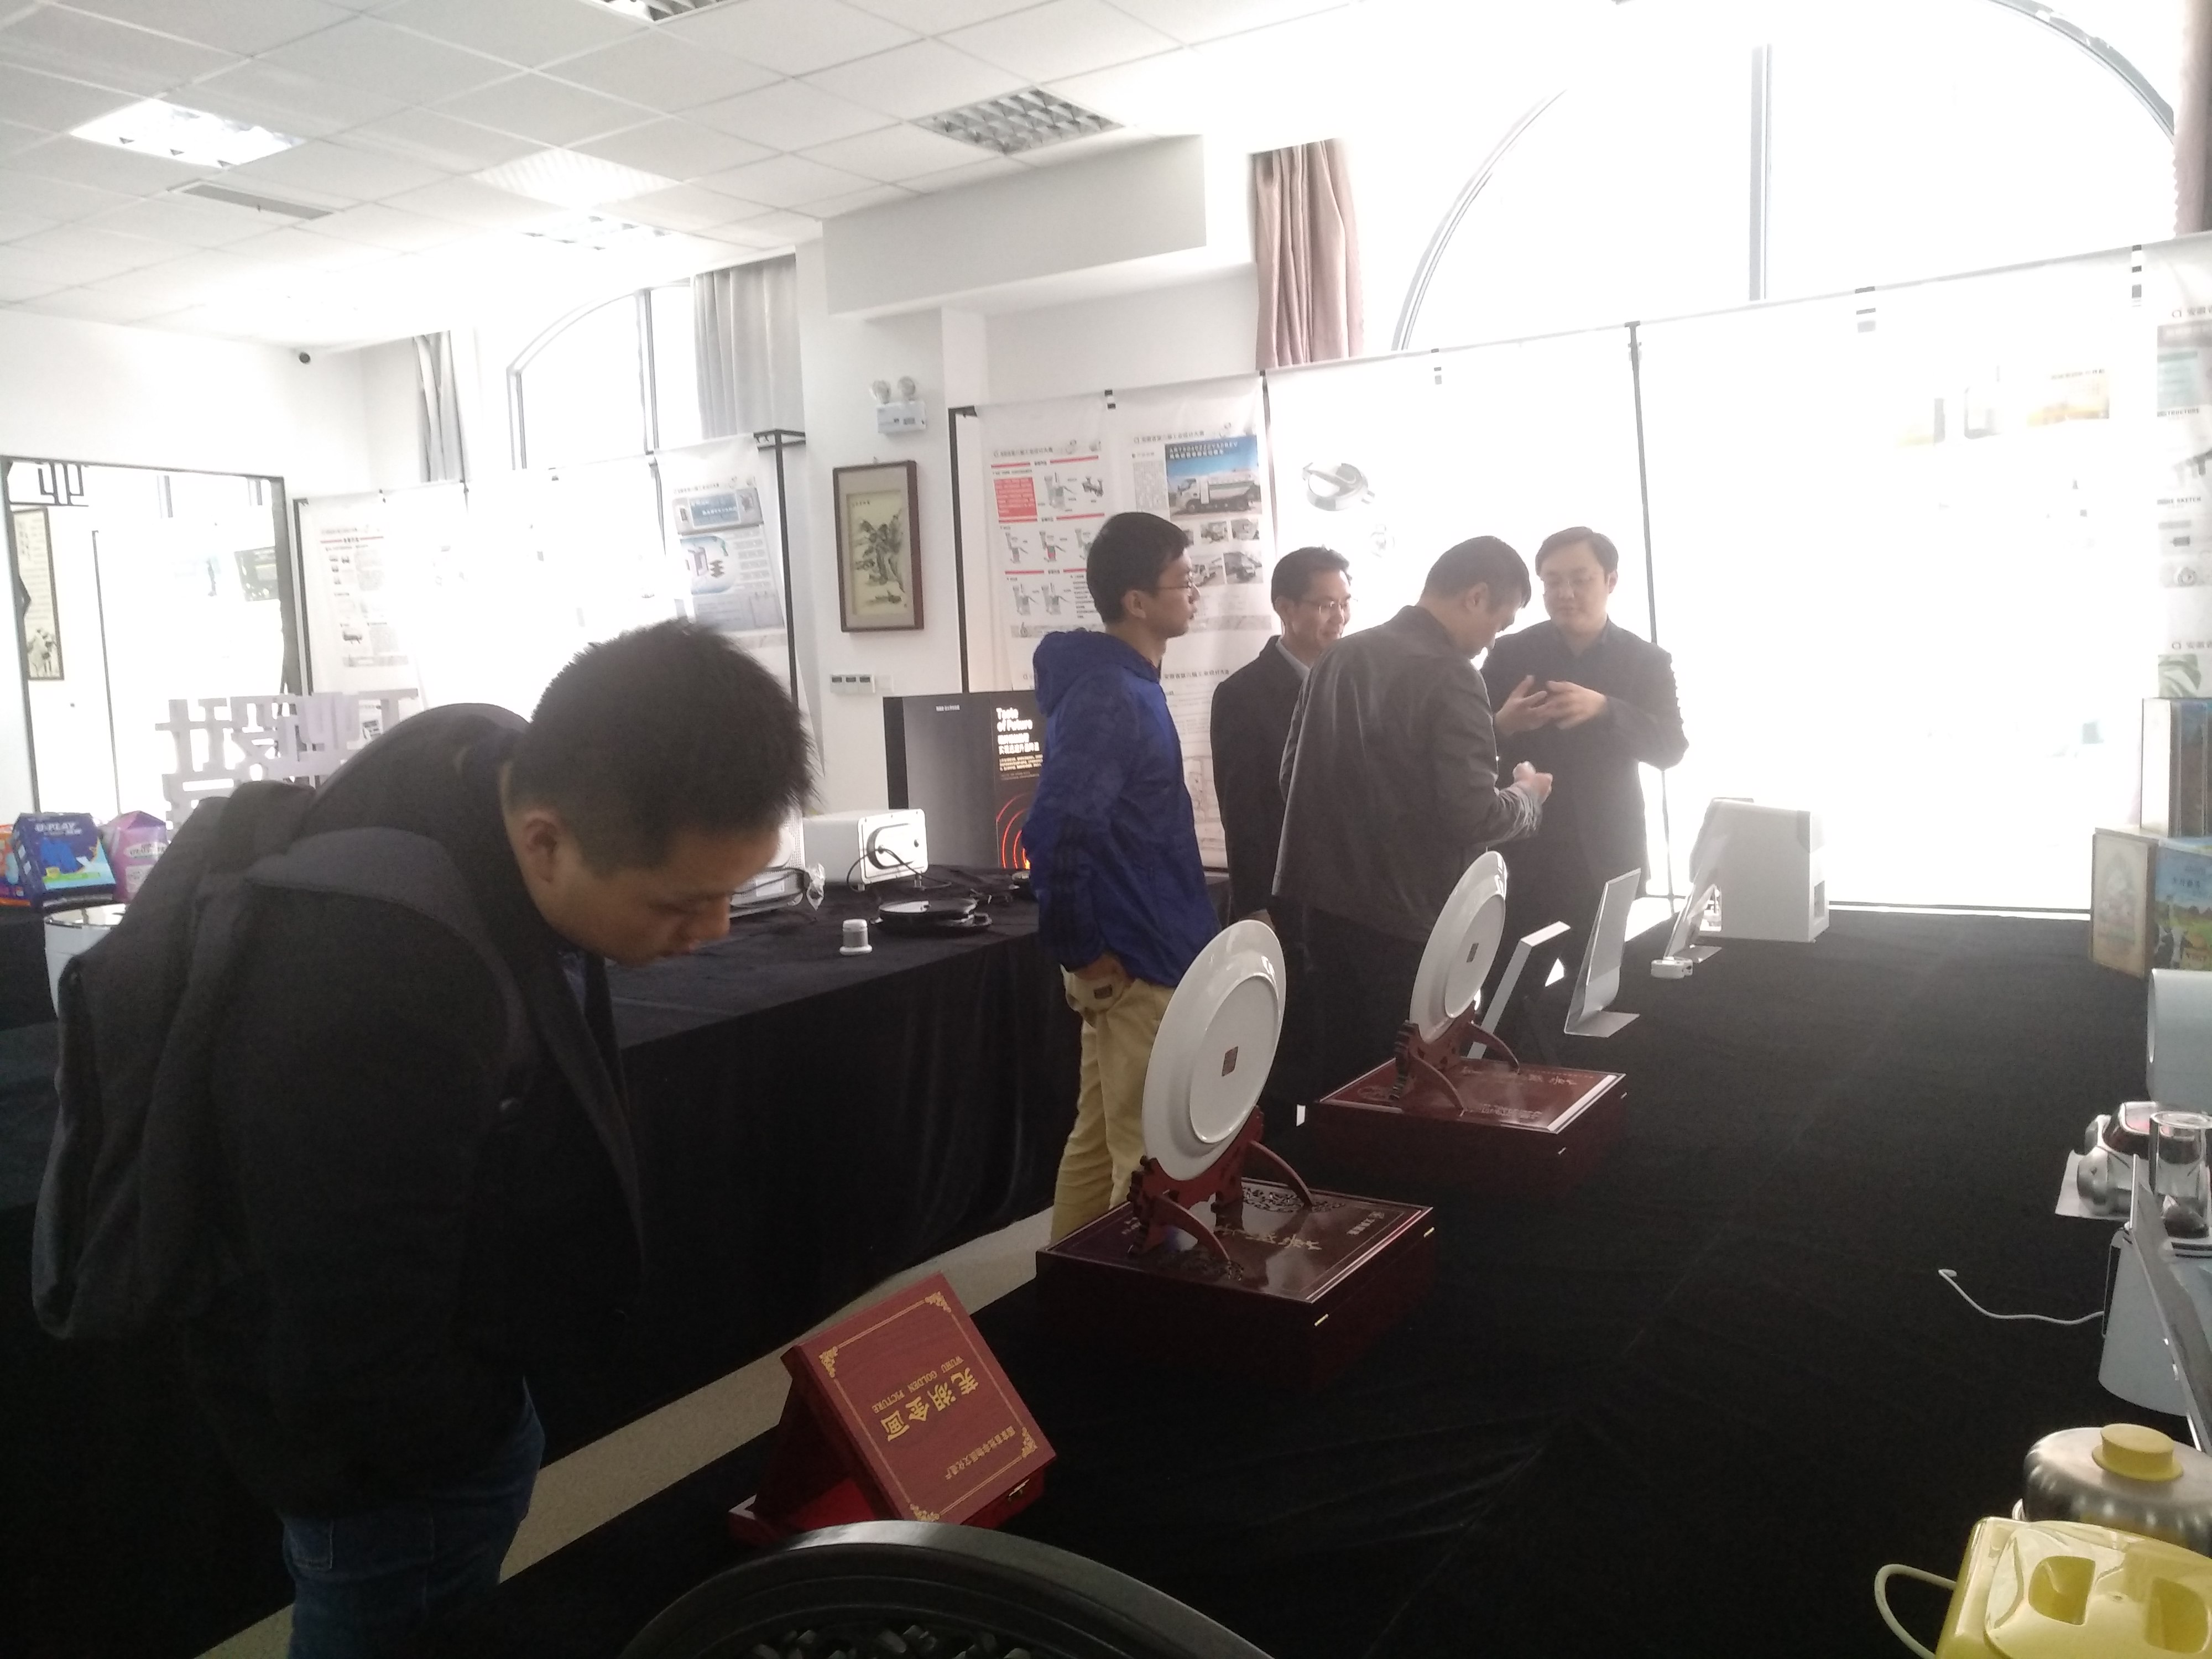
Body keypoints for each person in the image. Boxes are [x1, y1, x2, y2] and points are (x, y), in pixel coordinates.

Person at [183, 620, 813, 1659]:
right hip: (394, 1468)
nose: (713, 933)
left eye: (730, 895)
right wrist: (473, 1441)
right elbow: (357, 1333)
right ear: (547, 842)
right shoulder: (374, 987)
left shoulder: (480, 775)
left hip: (458, 1383)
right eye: (682, 903)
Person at [1275, 536, 1552, 1092]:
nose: (1492, 642)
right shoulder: (1453, 673)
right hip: (1409, 920)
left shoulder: (1341, 656)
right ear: (1476, 596)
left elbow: (1292, 778)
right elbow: (1472, 813)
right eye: (1499, 623)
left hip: (1324, 910)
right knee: (1412, 1085)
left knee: (1344, 1083)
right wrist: (1527, 798)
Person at [1025, 511, 1218, 1240]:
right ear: (1136, 601)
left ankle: (1072, 1286)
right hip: (1138, 958)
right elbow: (1058, 829)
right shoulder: (1112, 694)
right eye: (1183, 581)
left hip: (1144, 948)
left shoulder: (1124, 683)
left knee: (1099, 1136)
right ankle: (1130, 1295)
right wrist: (1081, 949)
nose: (1194, 593)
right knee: (1148, 1157)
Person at [1481, 527, 1686, 1037]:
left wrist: (1606, 709)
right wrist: (1502, 724)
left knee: (1598, 1012)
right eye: (1552, 582)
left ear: (1610, 580)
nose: (1565, 593)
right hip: (1521, 857)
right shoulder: (1510, 653)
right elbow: (1463, 742)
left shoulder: (1645, 660)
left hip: (1606, 862)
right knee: (1504, 1008)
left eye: (1580, 579)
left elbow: (1671, 748)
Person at [1209, 546, 1353, 924]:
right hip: (1287, 900)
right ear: (1286, 609)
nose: (1340, 617)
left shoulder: (1352, 682)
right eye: (1326, 605)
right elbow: (1242, 814)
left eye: (1345, 603)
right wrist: (1255, 907)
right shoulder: (1242, 695)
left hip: (1351, 895)